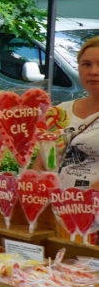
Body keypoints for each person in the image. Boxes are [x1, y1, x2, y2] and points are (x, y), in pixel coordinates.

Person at [44, 36, 99, 190]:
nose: (93, 71)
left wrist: (79, 203)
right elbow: (42, 162)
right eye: (86, 64)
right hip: (53, 206)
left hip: (89, 209)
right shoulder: (59, 112)